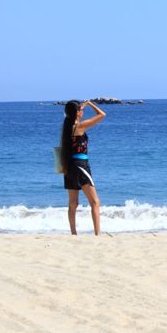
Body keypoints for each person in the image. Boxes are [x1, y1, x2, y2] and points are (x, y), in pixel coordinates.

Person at [61, 100, 106, 235]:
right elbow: (102, 115)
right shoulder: (79, 127)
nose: (83, 112)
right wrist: (89, 104)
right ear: (77, 113)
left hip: (69, 166)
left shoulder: (66, 129)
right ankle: (98, 234)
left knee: (73, 203)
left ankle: (73, 233)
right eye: (82, 110)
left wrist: (81, 107)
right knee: (95, 202)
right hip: (81, 166)